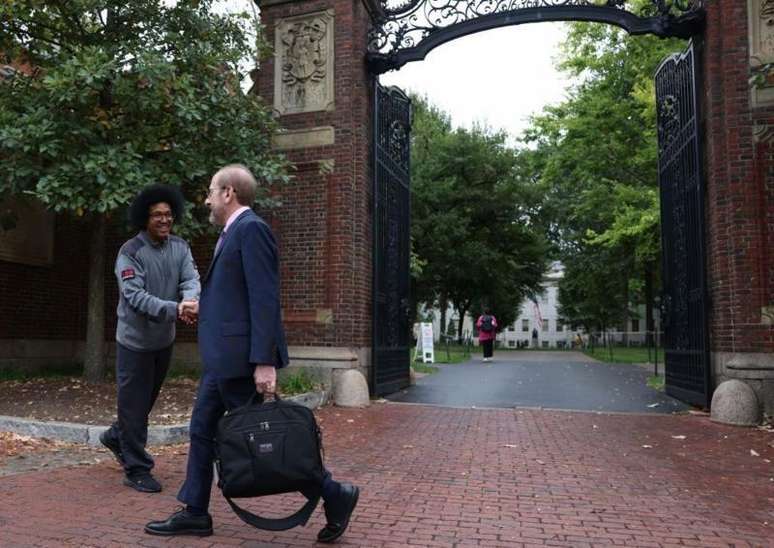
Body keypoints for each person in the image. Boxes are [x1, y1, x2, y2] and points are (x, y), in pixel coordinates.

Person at [145, 165, 359, 542]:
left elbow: (264, 298)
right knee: (201, 431)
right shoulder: (232, 234)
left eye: (211, 191)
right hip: (221, 361)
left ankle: (333, 493)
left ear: (229, 193)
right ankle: (195, 511)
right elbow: (237, 297)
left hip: (241, 362)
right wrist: (203, 307)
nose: (207, 199)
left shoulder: (251, 229)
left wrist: (264, 361)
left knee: (269, 443)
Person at [100, 184, 200, 493]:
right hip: (134, 343)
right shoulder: (130, 253)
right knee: (133, 406)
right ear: (145, 219)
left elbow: (191, 279)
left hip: (163, 341)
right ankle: (137, 468)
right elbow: (136, 298)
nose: (164, 220)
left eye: (168, 214)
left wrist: (191, 301)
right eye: (157, 215)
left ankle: (117, 435)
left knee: (142, 406)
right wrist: (176, 309)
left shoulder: (180, 247)